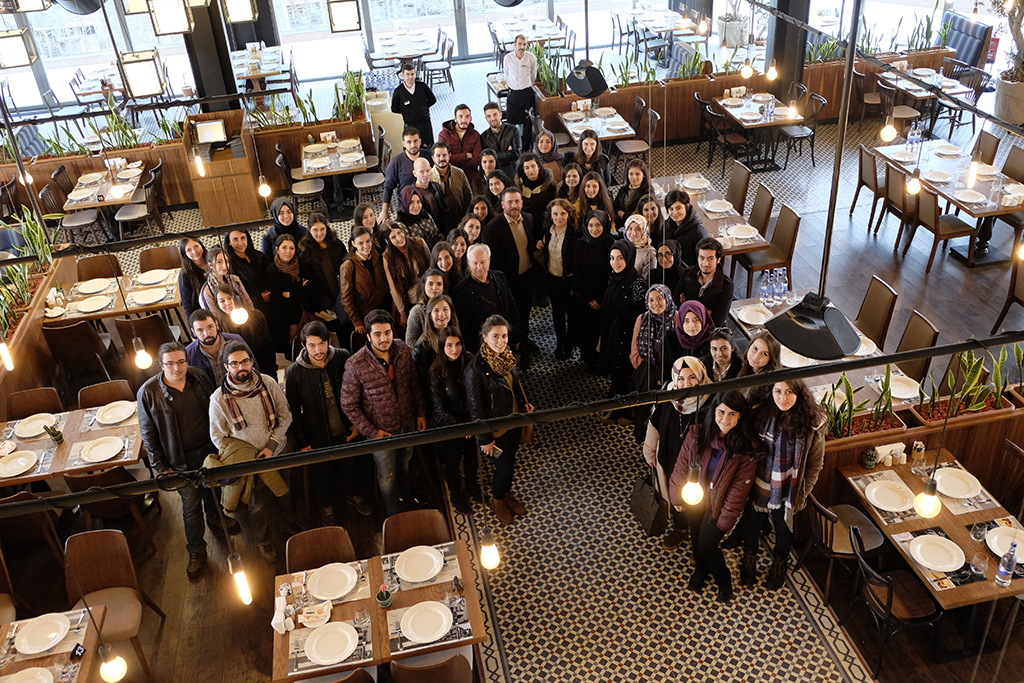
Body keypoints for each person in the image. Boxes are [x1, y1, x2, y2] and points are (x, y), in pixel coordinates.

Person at [138, 341, 239, 579]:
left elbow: (216, 409)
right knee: (191, 505)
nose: (177, 368)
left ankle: (215, 516)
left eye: (181, 362)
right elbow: (148, 433)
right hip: (178, 460)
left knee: (213, 490)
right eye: (170, 364)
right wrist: (162, 466)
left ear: (187, 360)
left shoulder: (199, 377)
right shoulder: (148, 392)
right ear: (161, 365)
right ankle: (196, 549)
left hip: (208, 450)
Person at [669, 391, 761, 603]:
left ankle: (723, 580)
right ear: (714, 411)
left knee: (706, 544)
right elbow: (682, 465)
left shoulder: (745, 449)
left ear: (740, 416)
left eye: (732, 414)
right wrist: (676, 496)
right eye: (721, 412)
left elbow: (738, 492)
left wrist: (725, 521)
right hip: (694, 496)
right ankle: (701, 571)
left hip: (718, 505)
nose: (725, 419)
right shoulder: (697, 435)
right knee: (695, 536)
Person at [209, 340, 294, 563]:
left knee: (285, 493)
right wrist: (245, 455)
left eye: (245, 361)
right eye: (235, 364)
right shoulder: (218, 399)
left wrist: (271, 446)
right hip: (250, 463)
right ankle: (264, 542)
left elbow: (285, 416)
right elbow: (218, 437)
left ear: (251, 361)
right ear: (226, 367)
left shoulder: (268, 383)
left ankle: (288, 524)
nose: (241, 367)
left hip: (278, 450)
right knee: (258, 505)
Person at [740, 379, 826, 590]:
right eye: (778, 391)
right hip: (759, 481)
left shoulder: (812, 424)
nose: (782, 397)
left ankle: (780, 563)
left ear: (799, 393)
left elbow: (815, 464)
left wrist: (803, 491)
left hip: (789, 487)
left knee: (784, 527)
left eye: (789, 392)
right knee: (751, 521)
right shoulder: (761, 414)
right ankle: (749, 557)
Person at [340, 309, 427, 516]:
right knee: (387, 476)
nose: (383, 338)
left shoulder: (402, 349)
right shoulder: (356, 364)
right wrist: (372, 432)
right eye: (377, 334)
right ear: (368, 336)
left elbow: (413, 383)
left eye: (387, 333)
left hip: (407, 422)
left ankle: (405, 495)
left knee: (404, 462)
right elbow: (348, 404)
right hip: (380, 431)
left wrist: (421, 413)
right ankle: (394, 514)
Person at [284, 321, 370, 526]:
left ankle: (352, 493)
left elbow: (357, 393)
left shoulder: (342, 356)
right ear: (304, 346)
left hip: (344, 426)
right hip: (316, 432)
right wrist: (303, 441)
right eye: (312, 345)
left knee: (350, 464)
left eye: (322, 344)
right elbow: (294, 411)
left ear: (329, 341)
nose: (318, 350)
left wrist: (356, 423)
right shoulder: (294, 372)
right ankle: (326, 505)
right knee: (322, 472)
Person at [464, 315, 535, 524]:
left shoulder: (507, 355)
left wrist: (523, 403)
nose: (501, 341)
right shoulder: (475, 370)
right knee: (504, 467)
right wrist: (485, 439)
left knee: (511, 463)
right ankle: (497, 500)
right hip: (495, 431)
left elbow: (515, 383)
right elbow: (475, 409)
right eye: (495, 336)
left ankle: (505, 494)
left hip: (513, 421)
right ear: (485, 337)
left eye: (504, 336)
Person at [641, 357, 710, 551]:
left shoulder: (710, 398)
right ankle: (680, 528)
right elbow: (654, 424)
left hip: (697, 463)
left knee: (698, 501)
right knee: (674, 494)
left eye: (692, 377)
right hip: (669, 453)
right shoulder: (668, 396)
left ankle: (698, 540)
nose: (686, 384)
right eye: (681, 378)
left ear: (701, 376)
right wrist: (649, 451)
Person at [426, 326, 478, 514]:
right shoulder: (435, 372)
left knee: (472, 456)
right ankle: (456, 495)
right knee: (453, 461)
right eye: (449, 345)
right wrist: (461, 427)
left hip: (469, 419)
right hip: (449, 423)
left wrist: (472, 422)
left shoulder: (470, 360)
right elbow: (439, 408)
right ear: (442, 347)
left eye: (457, 344)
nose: (454, 349)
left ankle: (472, 487)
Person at [482, 187, 537, 352]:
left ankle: (525, 338)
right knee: (511, 313)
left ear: (522, 203)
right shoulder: (493, 227)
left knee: (526, 310)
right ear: (503, 205)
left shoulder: (529, 219)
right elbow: (493, 261)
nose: (514, 205)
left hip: (527, 275)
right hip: (507, 280)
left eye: (517, 201)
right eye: (510, 202)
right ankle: (513, 345)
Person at [598, 239, 647, 423]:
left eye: (620, 258)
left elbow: (638, 317)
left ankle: (622, 411)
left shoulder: (637, 283)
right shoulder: (615, 276)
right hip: (614, 331)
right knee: (616, 370)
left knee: (624, 373)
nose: (615, 262)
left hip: (627, 337)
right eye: (612, 258)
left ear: (628, 257)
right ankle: (615, 400)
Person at [452, 244, 520, 353]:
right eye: (475, 263)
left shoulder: (500, 278)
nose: (479, 267)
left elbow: (512, 307)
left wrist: (515, 336)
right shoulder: (461, 291)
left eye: (483, 262)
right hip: (480, 346)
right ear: (469, 263)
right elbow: (465, 327)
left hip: (504, 339)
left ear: (489, 260)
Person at [572, 210, 614, 371]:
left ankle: (601, 361)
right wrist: (589, 299)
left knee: (602, 331)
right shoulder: (580, 244)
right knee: (586, 329)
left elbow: (612, 275)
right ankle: (588, 359)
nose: (594, 229)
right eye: (590, 225)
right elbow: (577, 273)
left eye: (598, 225)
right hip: (585, 297)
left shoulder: (611, 244)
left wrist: (600, 299)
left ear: (604, 225)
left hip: (604, 297)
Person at [536, 198, 577, 359]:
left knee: (572, 314)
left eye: (563, 214)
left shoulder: (574, 233)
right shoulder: (548, 230)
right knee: (557, 313)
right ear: (550, 215)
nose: (559, 217)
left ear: (568, 214)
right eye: (555, 214)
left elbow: (577, 261)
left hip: (569, 280)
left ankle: (569, 343)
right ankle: (560, 343)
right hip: (552, 278)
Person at [338, 225, 390, 346]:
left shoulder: (377, 257)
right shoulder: (348, 266)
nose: (366, 246)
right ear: (353, 243)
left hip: (382, 308)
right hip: (365, 314)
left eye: (368, 241)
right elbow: (346, 298)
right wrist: (356, 320)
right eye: (360, 243)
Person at [263, 233, 311, 354]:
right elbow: (277, 299)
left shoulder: (301, 265)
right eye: (284, 247)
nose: (288, 252)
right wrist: (299, 290)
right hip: (283, 318)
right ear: (277, 249)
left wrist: (288, 294)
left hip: (303, 313)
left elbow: (309, 290)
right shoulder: (271, 271)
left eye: (291, 248)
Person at [215, 284, 277, 377]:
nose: (227, 303)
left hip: (264, 365)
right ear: (217, 304)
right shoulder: (219, 326)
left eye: (230, 298)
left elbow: (268, 345)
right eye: (222, 301)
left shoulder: (256, 316)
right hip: (240, 372)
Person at [299, 213, 346, 331]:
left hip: (343, 294)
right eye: (315, 230)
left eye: (322, 229)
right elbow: (312, 284)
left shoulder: (336, 243)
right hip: (324, 302)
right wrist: (329, 304)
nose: (319, 233)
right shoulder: (305, 253)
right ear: (309, 230)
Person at [187, 309, 259, 385]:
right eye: (200, 330)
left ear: (216, 325)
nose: (207, 333)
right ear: (194, 332)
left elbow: (254, 368)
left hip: (241, 388)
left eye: (210, 327)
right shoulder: (188, 354)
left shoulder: (236, 340)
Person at [674, 237, 735, 327]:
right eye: (702, 258)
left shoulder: (726, 285)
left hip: (710, 331)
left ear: (718, 260)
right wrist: (707, 313)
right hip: (686, 327)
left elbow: (717, 320)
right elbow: (675, 302)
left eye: (710, 259)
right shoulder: (687, 274)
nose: (705, 263)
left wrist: (686, 306)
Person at [630, 284, 679, 392]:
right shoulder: (642, 319)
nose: (655, 303)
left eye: (659, 298)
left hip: (671, 378)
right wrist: (652, 378)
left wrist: (664, 377)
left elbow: (679, 353)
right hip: (646, 376)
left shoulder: (678, 318)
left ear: (667, 298)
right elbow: (634, 353)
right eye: (651, 300)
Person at [382, 223, 431, 328]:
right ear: (388, 241)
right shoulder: (387, 257)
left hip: (428, 294)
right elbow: (393, 287)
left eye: (400, 232)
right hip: (411, 301)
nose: (399, 238)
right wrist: (402, 312)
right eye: (393, 237)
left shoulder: (419, 243)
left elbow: (431, 266)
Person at [380, 127, 431, 224]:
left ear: (420, 141)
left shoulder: (429, 156)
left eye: (415, 141)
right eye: (409, 142)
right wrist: (384, 211)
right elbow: (388, 187)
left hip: (427, 204)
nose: (413, 145)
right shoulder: (396, 162)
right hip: (405, 207)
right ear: (404, 144)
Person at [411, 293, 458, 386]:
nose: (441, 314)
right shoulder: (423, 345)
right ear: (430, 315)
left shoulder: (455, 334)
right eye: (436, 310)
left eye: (445, 309)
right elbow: (421, 380)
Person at [224, 229, 270, 315]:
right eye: (235, 239)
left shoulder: (259, 256)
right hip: (250, 309)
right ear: (229, 242)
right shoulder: (229, 266)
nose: (240, 243)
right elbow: (236, 292)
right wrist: (260, 299)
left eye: (243, 238)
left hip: (269, 301)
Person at [503, 35, 538, 148]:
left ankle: (526, 147)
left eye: (524, 44)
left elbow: (533, 75)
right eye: (519, 44)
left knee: (528, 122)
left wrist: (526, 84)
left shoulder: (531, 58)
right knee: (510, 121)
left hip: (526, 94)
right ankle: (512, 146)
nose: (522, 47)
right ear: (514, 44)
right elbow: (506, 74)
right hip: (513, 94)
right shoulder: (508, 58)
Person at [391, 62, 437, 146]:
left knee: (429, 147)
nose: (410, 77)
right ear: (403, 75)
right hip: (410, 125)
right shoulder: (398, 91)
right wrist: (406, 112)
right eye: (407, 74)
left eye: (412, 74)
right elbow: (394, 108)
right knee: (412, 148)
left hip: (425, 123)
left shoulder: (423, 86)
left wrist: (423, 107)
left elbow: (432, 100)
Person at [199, 246, 253, 316]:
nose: (225, 266)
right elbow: (213, 317)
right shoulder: (206, 292)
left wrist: (252, 315)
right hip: (225, 322)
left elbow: (248, 302)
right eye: (219, 262)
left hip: (245, 316)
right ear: (210, 265)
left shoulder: (235, 279)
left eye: (226, 261)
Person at [438, 104, 483, 183]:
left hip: (471, 177)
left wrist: (455, 162)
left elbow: (477, 160)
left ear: (471, 119)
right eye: (460, 116)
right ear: (455, 119)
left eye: (467, 116)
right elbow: (444, 159)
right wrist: (465, 156)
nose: (464, 120)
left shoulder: (475, 135)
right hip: (451, 177)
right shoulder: (444, 135)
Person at [431, 141, 472, 223]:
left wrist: (467, 218)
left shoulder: (460, 173)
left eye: (444, 155)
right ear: (433, 157)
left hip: (461, 219)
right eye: (438, 156)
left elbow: (469, 197)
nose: (442, 158)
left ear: (449, 155)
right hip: (440, 223)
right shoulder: (429, 177)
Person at [663, 190, 707, 265]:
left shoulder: (698, 231)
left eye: (678, 208)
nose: (675, 213)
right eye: (671, 209)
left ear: (687, 206)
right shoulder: (668, 223)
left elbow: (704, 260)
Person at [516, 152, 556, 231]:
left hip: (545, 223)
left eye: (533, 166)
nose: (531, 170)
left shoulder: (549, 185)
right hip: (526, 224)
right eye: (527, 168)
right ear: (523, 170)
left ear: (538, 167)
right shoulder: (519, 186)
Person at [737, 330, 782, 402]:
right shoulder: (746, 367)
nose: (756, 357)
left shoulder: (764, 388)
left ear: (771, 358)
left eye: (764, 354)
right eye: (755, 349)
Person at [404, 269, 446, 345]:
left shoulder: (448, 306)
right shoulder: (417, 311)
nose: (435, 287)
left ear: (443, 288)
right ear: (424, 286)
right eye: (430, 284)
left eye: (439, 284)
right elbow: (410, 342)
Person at [481, 101, 521, 178]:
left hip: (513, 172)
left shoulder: (513, 130)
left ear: (500, 114)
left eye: (495, 114)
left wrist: (493, 155)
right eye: (489, 116)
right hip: (494, 174)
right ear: (486, 118)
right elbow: (485, 158)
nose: (492, 118)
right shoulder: (483, 136)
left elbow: (516, 154)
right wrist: (507, 153)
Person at [179, 237, 208, 319]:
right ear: (184, 253)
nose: (194, 251)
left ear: (201, 245)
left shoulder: (213, 261)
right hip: (203, 314)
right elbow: (188, 307)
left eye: (196, 246)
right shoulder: (185, 276)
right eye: (189, 250)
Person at [623, 214, 656, 278]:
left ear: (644, 231)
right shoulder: (623, 247)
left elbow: (647, 278)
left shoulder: (649, 252)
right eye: (630, 228)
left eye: (638, 229)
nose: (633, 233)